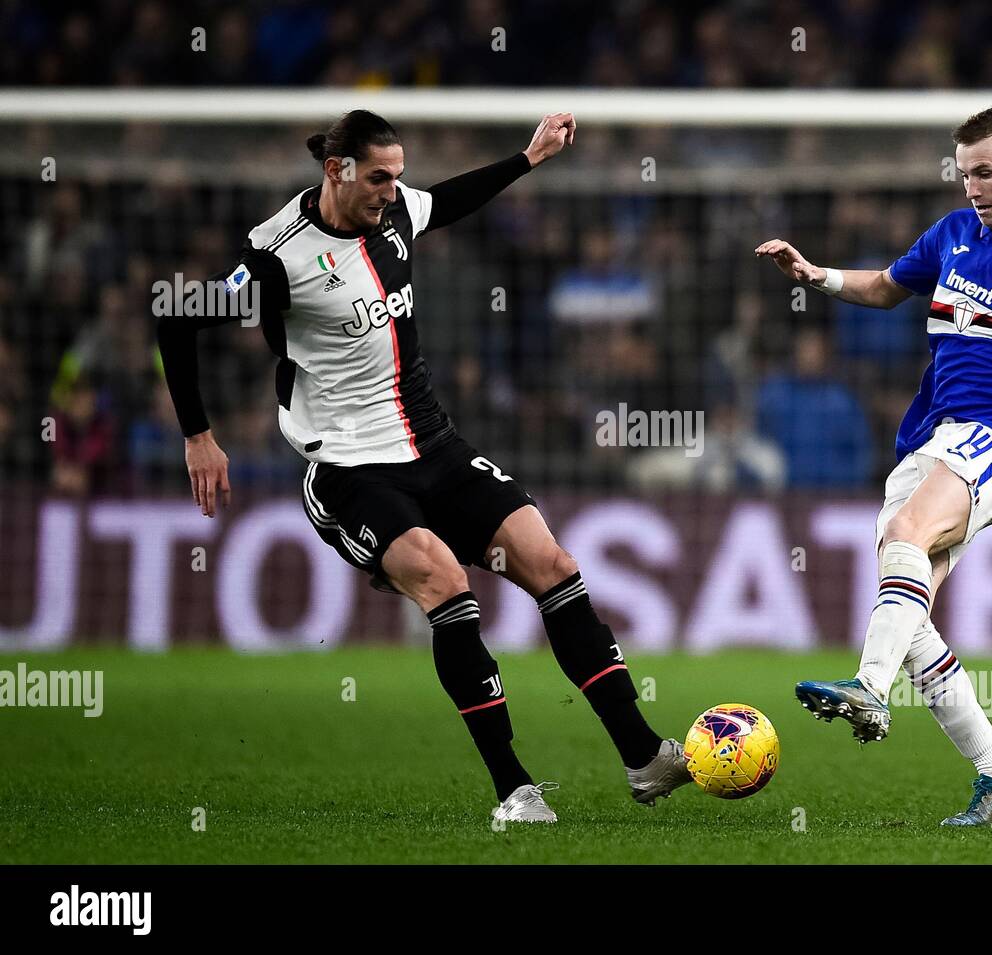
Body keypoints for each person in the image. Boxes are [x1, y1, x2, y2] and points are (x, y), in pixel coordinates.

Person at [157, 109, 690, 824]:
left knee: (553, 563)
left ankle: (643, 757)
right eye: (378, 176)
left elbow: (451, 199)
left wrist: (527, 158)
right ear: (336, 170)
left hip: (433, 445)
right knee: (446, 581)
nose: (391, 190)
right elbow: (175, 317)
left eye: (398, 176)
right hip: (350, 469)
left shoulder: (398, 210)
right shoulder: (277, 258)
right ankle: (514, 790)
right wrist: (199, 435)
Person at [756, 106, 992, 826]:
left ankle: (868, 688)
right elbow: (885, 287)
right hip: (933, 437)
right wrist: (815, 273)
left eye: (985, 172)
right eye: (964, 173)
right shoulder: (954, 234)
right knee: (906, 608)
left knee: (904, 532)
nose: (972, 187)